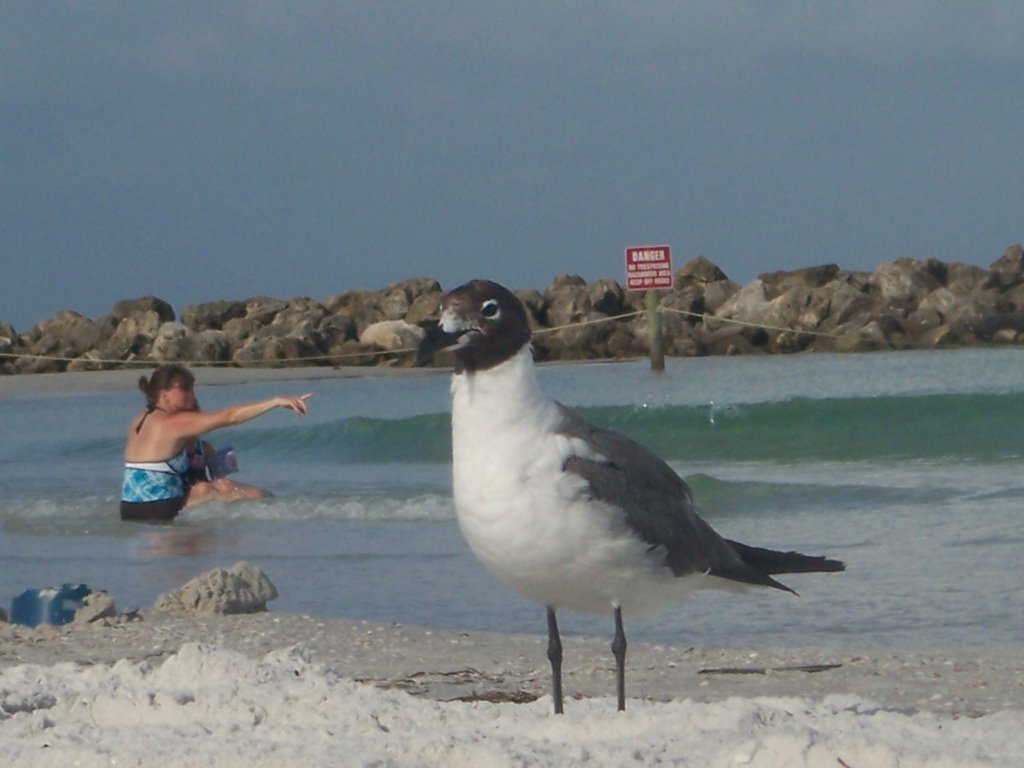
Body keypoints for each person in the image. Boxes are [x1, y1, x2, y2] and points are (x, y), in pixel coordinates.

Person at [120, 364, 311, 522]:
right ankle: (279, 506)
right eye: (184, 388)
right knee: (239, 495)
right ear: (164, 394)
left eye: (192, 388)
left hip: (129, 510)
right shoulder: (174, 423)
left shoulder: (140, 420)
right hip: (161, 509)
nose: (191, 394)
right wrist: (275, 402)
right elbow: (230, 417)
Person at [182, 400, 269, 506]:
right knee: (203, 488)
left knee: (225, 484)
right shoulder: (173, 449)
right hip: (184, 494)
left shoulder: (205, 447)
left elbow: (219, 477)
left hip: (206, 489)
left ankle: (270, 499)